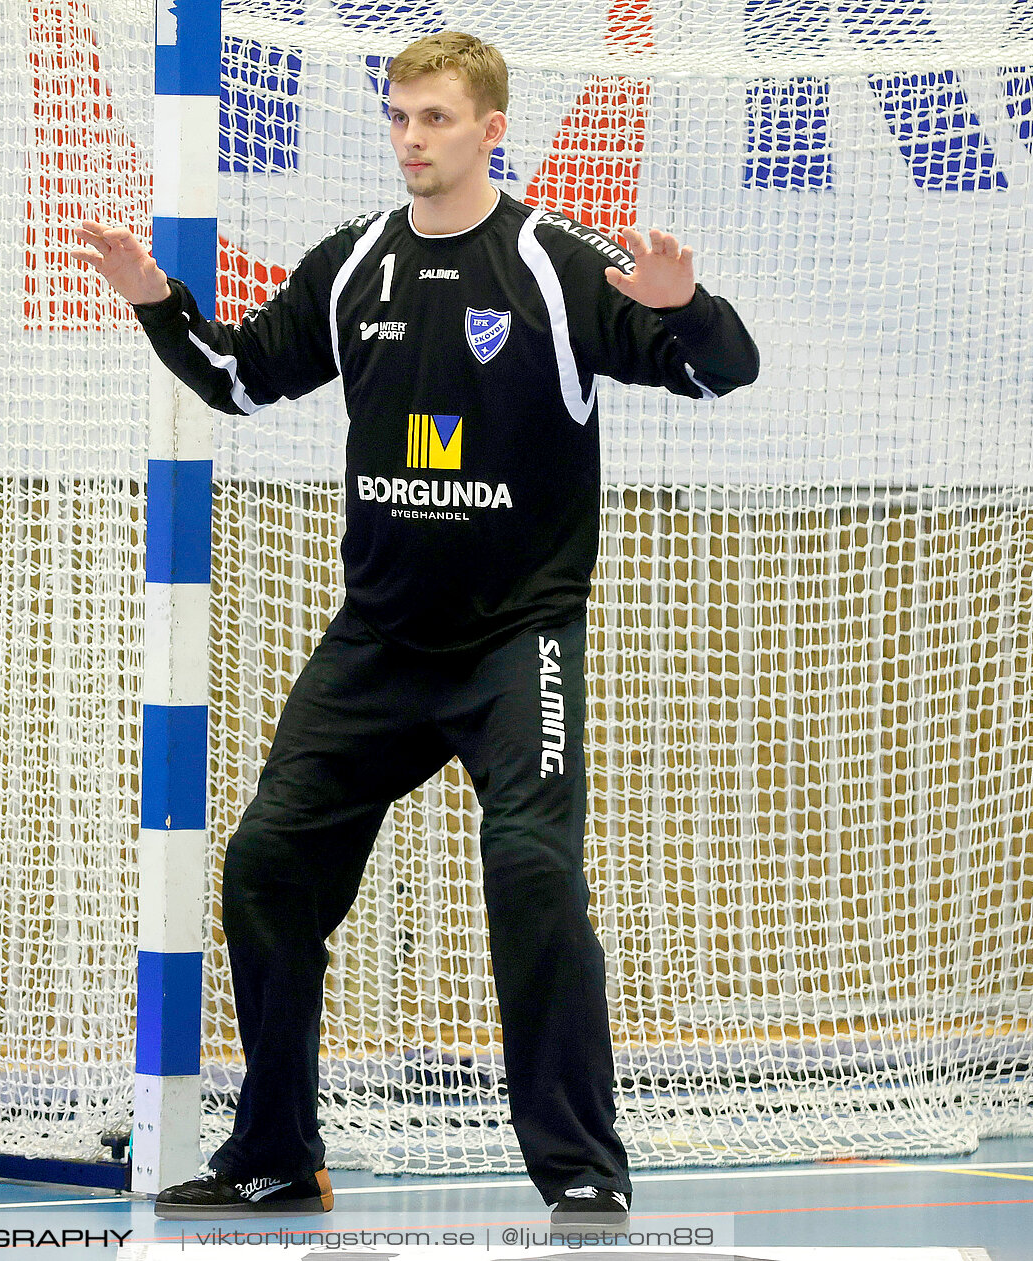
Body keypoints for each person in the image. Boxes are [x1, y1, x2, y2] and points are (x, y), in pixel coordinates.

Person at [73, 31, 759, 1225]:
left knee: (531, 871)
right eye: (397, 116)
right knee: (267, 868)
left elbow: (721, 376)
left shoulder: (556, 268)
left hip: (516, 641)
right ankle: (279, 1154)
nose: (410, 138)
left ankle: (582, 1165)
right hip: (382, 644)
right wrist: (156, 303)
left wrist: (687, 309)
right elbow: (239, 378)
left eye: (435, 118)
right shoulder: (354, 267)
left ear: (493, 128)